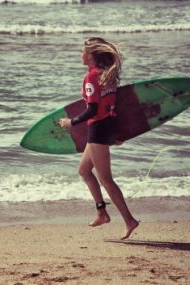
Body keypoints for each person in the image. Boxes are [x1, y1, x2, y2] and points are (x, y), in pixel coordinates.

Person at [59, 37, 139, 240]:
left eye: (82, 51)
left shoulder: (92, 77)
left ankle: (129, 220)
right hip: (105, 127)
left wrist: (72, 122)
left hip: (97, 130)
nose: (81, 55)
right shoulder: (107, 76)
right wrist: (117, 133)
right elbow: (111, 108)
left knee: (106, 179)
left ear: (91, 55)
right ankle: (102, 212)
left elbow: (93, 109)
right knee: (84, 171)